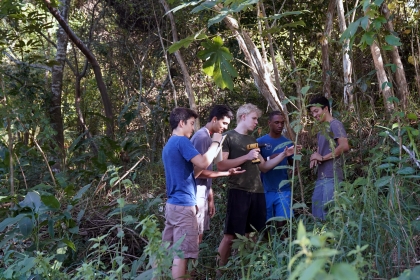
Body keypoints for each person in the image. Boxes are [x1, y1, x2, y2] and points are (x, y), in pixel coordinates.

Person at [216, 103, 296, 268]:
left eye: (257, 119)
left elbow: (264, 167)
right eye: (254, 118)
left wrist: (283, 154)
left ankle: (248, 269)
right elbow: (221, 165)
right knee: (230, 236)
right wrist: (246, 157)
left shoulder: (253, 140)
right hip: (238, 191)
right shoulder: (228, 137)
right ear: (243, 117)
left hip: (257, 192)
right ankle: (218, 272)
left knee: (251, 234)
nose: (256, 122)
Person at [161, 107, 223, 280]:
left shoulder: (169, 144)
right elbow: (203, 162)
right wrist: (216, 142)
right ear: (181, 123)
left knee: (168, 250)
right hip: (183, 207)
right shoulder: (181, 141)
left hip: (172, 205)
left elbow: (190, 173)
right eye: (190, 124)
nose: (193, 128)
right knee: (181, 254)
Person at [190, 105, 235, 244]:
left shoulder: (210, 137)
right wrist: (225, 173)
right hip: (195, 193)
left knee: (199, 234)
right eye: (224, 123)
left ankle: (191, 265)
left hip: (203, 192)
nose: (226, 127)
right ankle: (186, 266)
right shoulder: (202, 137)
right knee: (194, 237)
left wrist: (210, 196)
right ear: (215, 119)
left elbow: (206, 168)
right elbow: (197, 171)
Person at [308, 96, 349, 220]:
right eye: (312, 113)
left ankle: (333, 239)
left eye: (316, 111)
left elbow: (344, 146)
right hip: (322, 176)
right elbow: (321, 149)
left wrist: (322, 157)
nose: (314, 115)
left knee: (329, 214)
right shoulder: (322, 129)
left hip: (333, 176)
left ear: (325, 109)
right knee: (317, 212)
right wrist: (315, 156)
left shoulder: (335, 124)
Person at [257, 111, 294, 231]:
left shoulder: (288, 143)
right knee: (265, 225)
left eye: (282, 123)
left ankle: (283, 245)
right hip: (265, 189)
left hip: (283, 189)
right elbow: (257, 166)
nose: (280, 125)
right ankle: (268, 247)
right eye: (277, 122)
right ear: (269, 123)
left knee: (282, 224)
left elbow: (293, 165)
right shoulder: (259, 142)